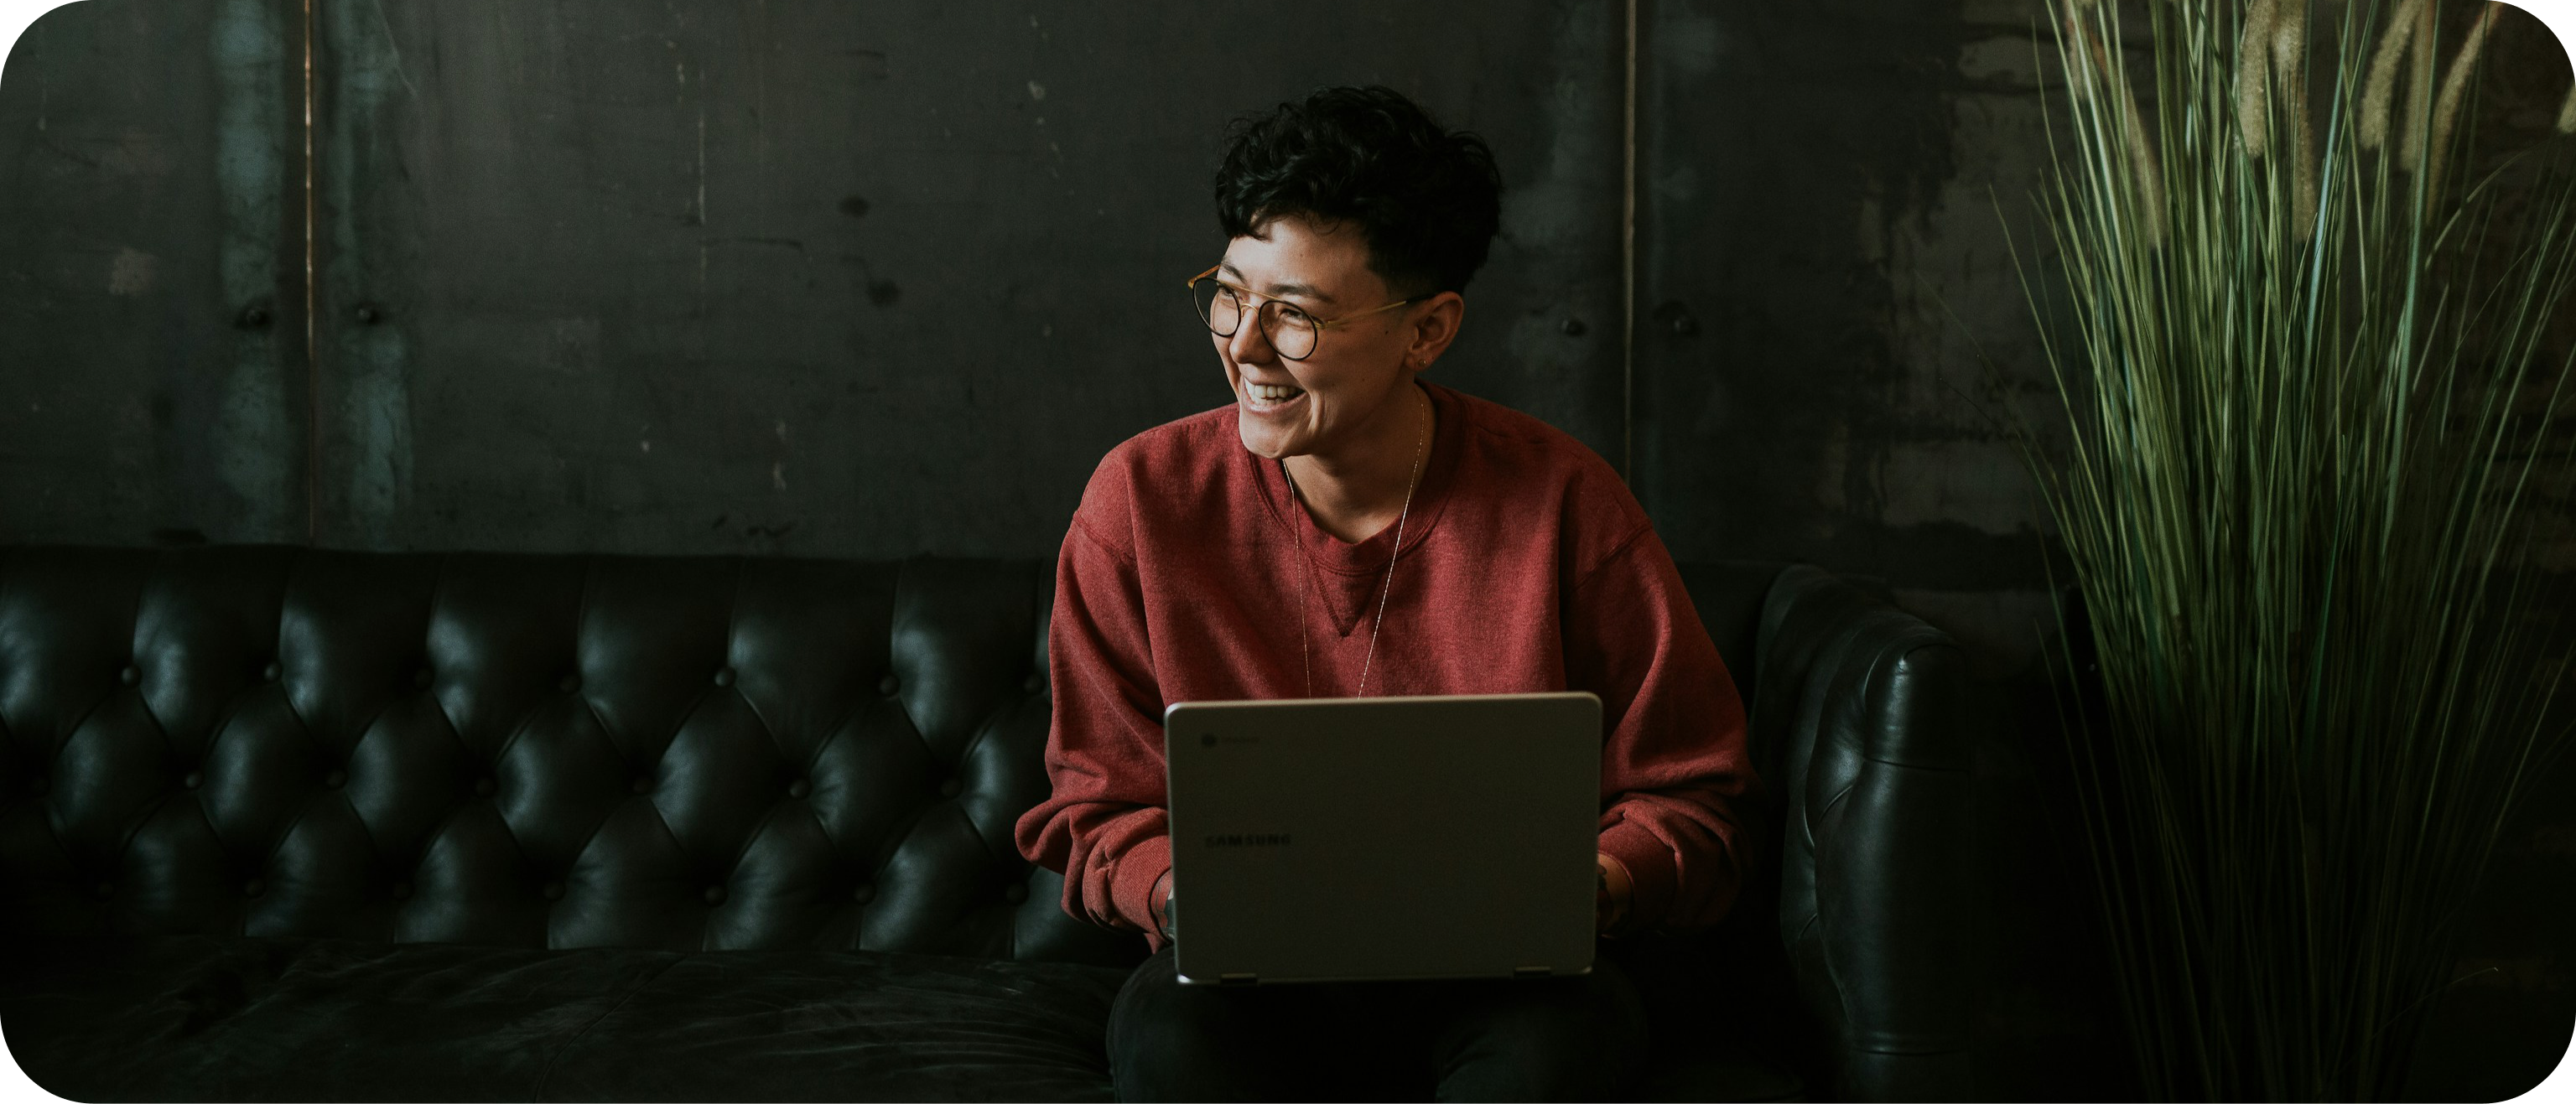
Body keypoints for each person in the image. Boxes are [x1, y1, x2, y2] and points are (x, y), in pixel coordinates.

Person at [1012, 85, 1760, 1103]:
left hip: (1507, 980)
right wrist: (1186, 895)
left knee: (1555, 1057)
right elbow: (1097, 804)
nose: (1244, 345)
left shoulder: (1564, 504)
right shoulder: (1141, 500)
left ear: (1428, 330)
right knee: (1171, 1044)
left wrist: (1592, 885)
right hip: (1245, 983)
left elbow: (1698, 797)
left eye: (1297, 315)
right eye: (1229, 295)